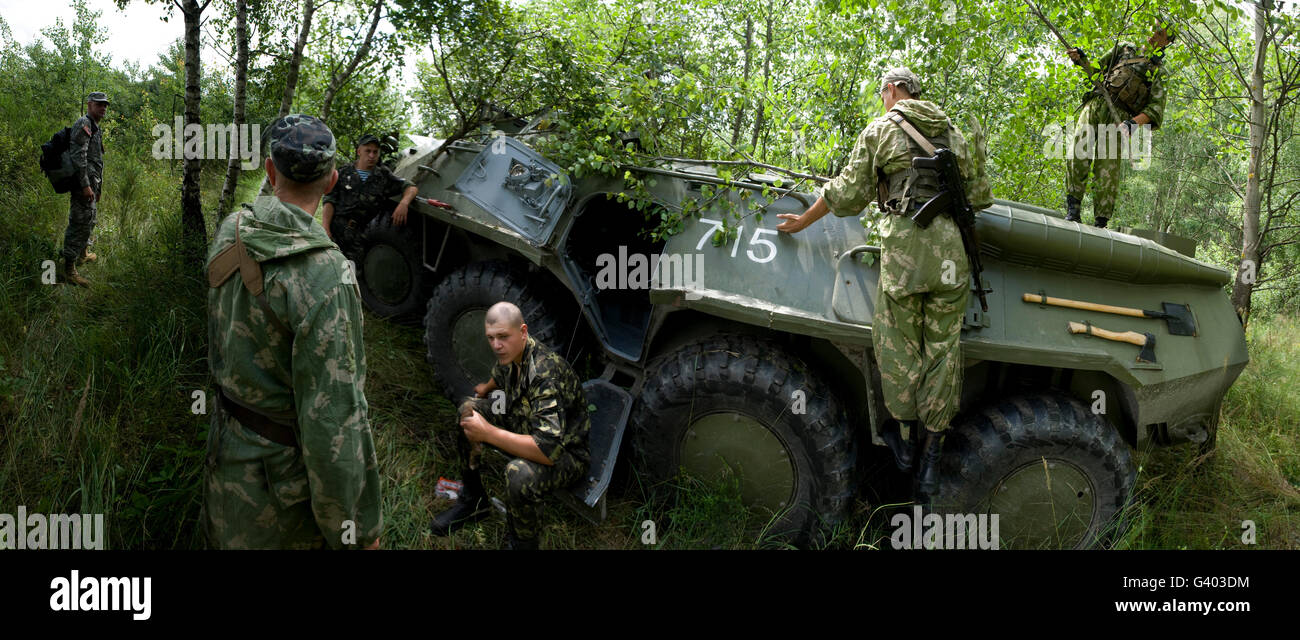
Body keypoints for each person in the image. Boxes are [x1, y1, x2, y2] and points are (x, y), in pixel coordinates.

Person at [776, 68, 991, 502]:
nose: (882, 101)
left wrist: (802, 221)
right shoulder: (951, 128)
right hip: (953, 254)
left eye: (882, 94)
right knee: (944, 352)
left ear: (891, 90)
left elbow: (845, 194)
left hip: (907, 253)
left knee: (896, 345)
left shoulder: (882, 129)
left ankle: (906, 443)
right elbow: (981, 195)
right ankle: (932, 457)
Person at [203, 114, 382, 550]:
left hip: (225, 454)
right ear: (332, 180)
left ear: (269, 169)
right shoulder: (327, 275)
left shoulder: (232, 229)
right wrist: (354, 530)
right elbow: (333, 424)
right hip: (279, 491)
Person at [430, 301, 590, 550]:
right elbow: (500, 375)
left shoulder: (545, 373)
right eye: (491, 338)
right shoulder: (512, 353)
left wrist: (489, 434)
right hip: (525, 420)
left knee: (518, 474)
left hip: (565, 453)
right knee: (468, 410)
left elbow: (548, 451)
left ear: (523, 331)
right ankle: (474, 500)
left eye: (503, 337)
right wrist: (485, 389)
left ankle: (523, 543)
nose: (496, 345)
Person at [1065, 24, 1174, 228]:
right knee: (1077, 152)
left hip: (1119, 119)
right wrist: (1082, 59)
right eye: (1153, 29)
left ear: (1167, 42)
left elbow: (1155, 110)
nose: (1153, 35)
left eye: (1160, 34)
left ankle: (1101, 221)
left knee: (1107, 169)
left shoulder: (1160, 72)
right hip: (1096, 103)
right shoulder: (1124, 49)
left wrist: (1133, 123)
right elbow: (1096, 72)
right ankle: (1073, 210)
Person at [321, 133, 419, 262]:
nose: (372, 156)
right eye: (368, 151)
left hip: (359, 237)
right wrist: (325, 229)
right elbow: (329, 201)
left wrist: (404, 203)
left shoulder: (383, 176)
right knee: (327, 268)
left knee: (350, 275)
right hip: (335, 231)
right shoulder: (344, 172)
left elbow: (411, 187)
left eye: (375, 152)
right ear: (359, 151)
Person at [60, 92, 109, 287]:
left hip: (91, 183)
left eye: (105, 105)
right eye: (99, 104)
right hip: (83, 184)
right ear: (89, 105)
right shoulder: (84, 124)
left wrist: (96, 186)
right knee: (79, 223)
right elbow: (78, 157)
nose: (103, 108)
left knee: (90, 220)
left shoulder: (95, 126)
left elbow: (95, 159)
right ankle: (69, 270)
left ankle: (83, 254)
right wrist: (85, 185)